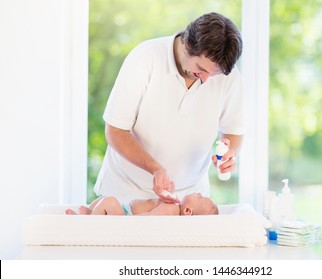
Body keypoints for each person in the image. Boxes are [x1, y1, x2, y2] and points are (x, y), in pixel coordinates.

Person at [93, 12, 244, 204]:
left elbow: (234, 131)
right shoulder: (144, 59)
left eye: (213, 74)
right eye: (201, 69)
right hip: (126, 192)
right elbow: (115, 131)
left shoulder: (228, 76)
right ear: (187, 45)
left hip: (189, 198)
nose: (206, 79)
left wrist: (230, 154)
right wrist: (155, 168)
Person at [65, 193, 219, 216]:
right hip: (126, 209)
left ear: (187, 211)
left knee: (108, 202)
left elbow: (149, 219)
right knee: (102, 199)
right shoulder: (174, 204)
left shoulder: (171, 209)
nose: (198, 192)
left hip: (127, 217)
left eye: (200, 197)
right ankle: (90, 213)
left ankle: (87, 222)